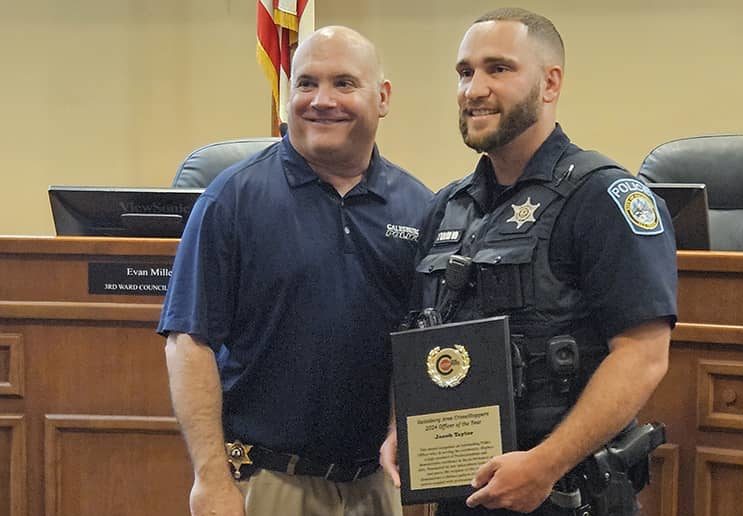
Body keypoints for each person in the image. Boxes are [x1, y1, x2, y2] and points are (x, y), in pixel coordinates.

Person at [380, 7, 676, 516]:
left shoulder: (603, 197)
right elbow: (426, 338)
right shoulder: (447, 207)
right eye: (465, 72)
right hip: (467, 490)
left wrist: (544, 464)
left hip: (566, 493)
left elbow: (642, 355)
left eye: (499, 69)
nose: (474, 89)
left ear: (549, 82)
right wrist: (401, 427)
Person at [159, 26, 433, 516]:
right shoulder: (232, 199)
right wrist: (210, 480)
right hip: (268, 484)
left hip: (379, 484)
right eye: (306, 84)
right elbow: (188, 342)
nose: (321, 100)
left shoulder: (420, 209)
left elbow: (423, 345)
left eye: (344, 84)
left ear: (383, 97)